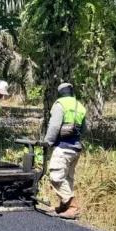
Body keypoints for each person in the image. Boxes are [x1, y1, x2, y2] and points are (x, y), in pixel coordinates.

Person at [44, 82, 87, 219]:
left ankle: (73, 207)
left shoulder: (60, 104)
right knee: (68, 178)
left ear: (60, 93)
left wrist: (48, 142)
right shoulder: (80, 106)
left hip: (63, 147)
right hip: (76, 148)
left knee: (56, 177)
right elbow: (84, 129)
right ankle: (64, 206)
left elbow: (54, 126)